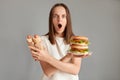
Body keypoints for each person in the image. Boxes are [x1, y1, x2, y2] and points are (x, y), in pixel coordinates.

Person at [28, 3, 90, 80]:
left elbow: (75, 70)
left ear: (67, 20)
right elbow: (47, 72)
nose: (59, 19)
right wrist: (69, 56)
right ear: (51, 20)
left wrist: (47, 58)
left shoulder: (76, 42)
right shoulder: (42, 41)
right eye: (55, 16)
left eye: (63, 16)